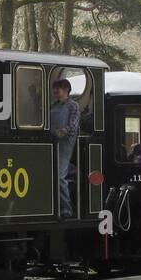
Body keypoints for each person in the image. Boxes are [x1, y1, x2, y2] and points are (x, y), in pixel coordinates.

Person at [50, 78, 81, 217]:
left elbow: (73, 126)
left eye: (59, 88)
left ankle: (67, 209)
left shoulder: (73, 105)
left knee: (59, 176)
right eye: (55, 88)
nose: (56, 91)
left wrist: (63, 131)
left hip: (65, 142)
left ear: (67, 89)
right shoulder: (53, 106)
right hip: (51, 141)